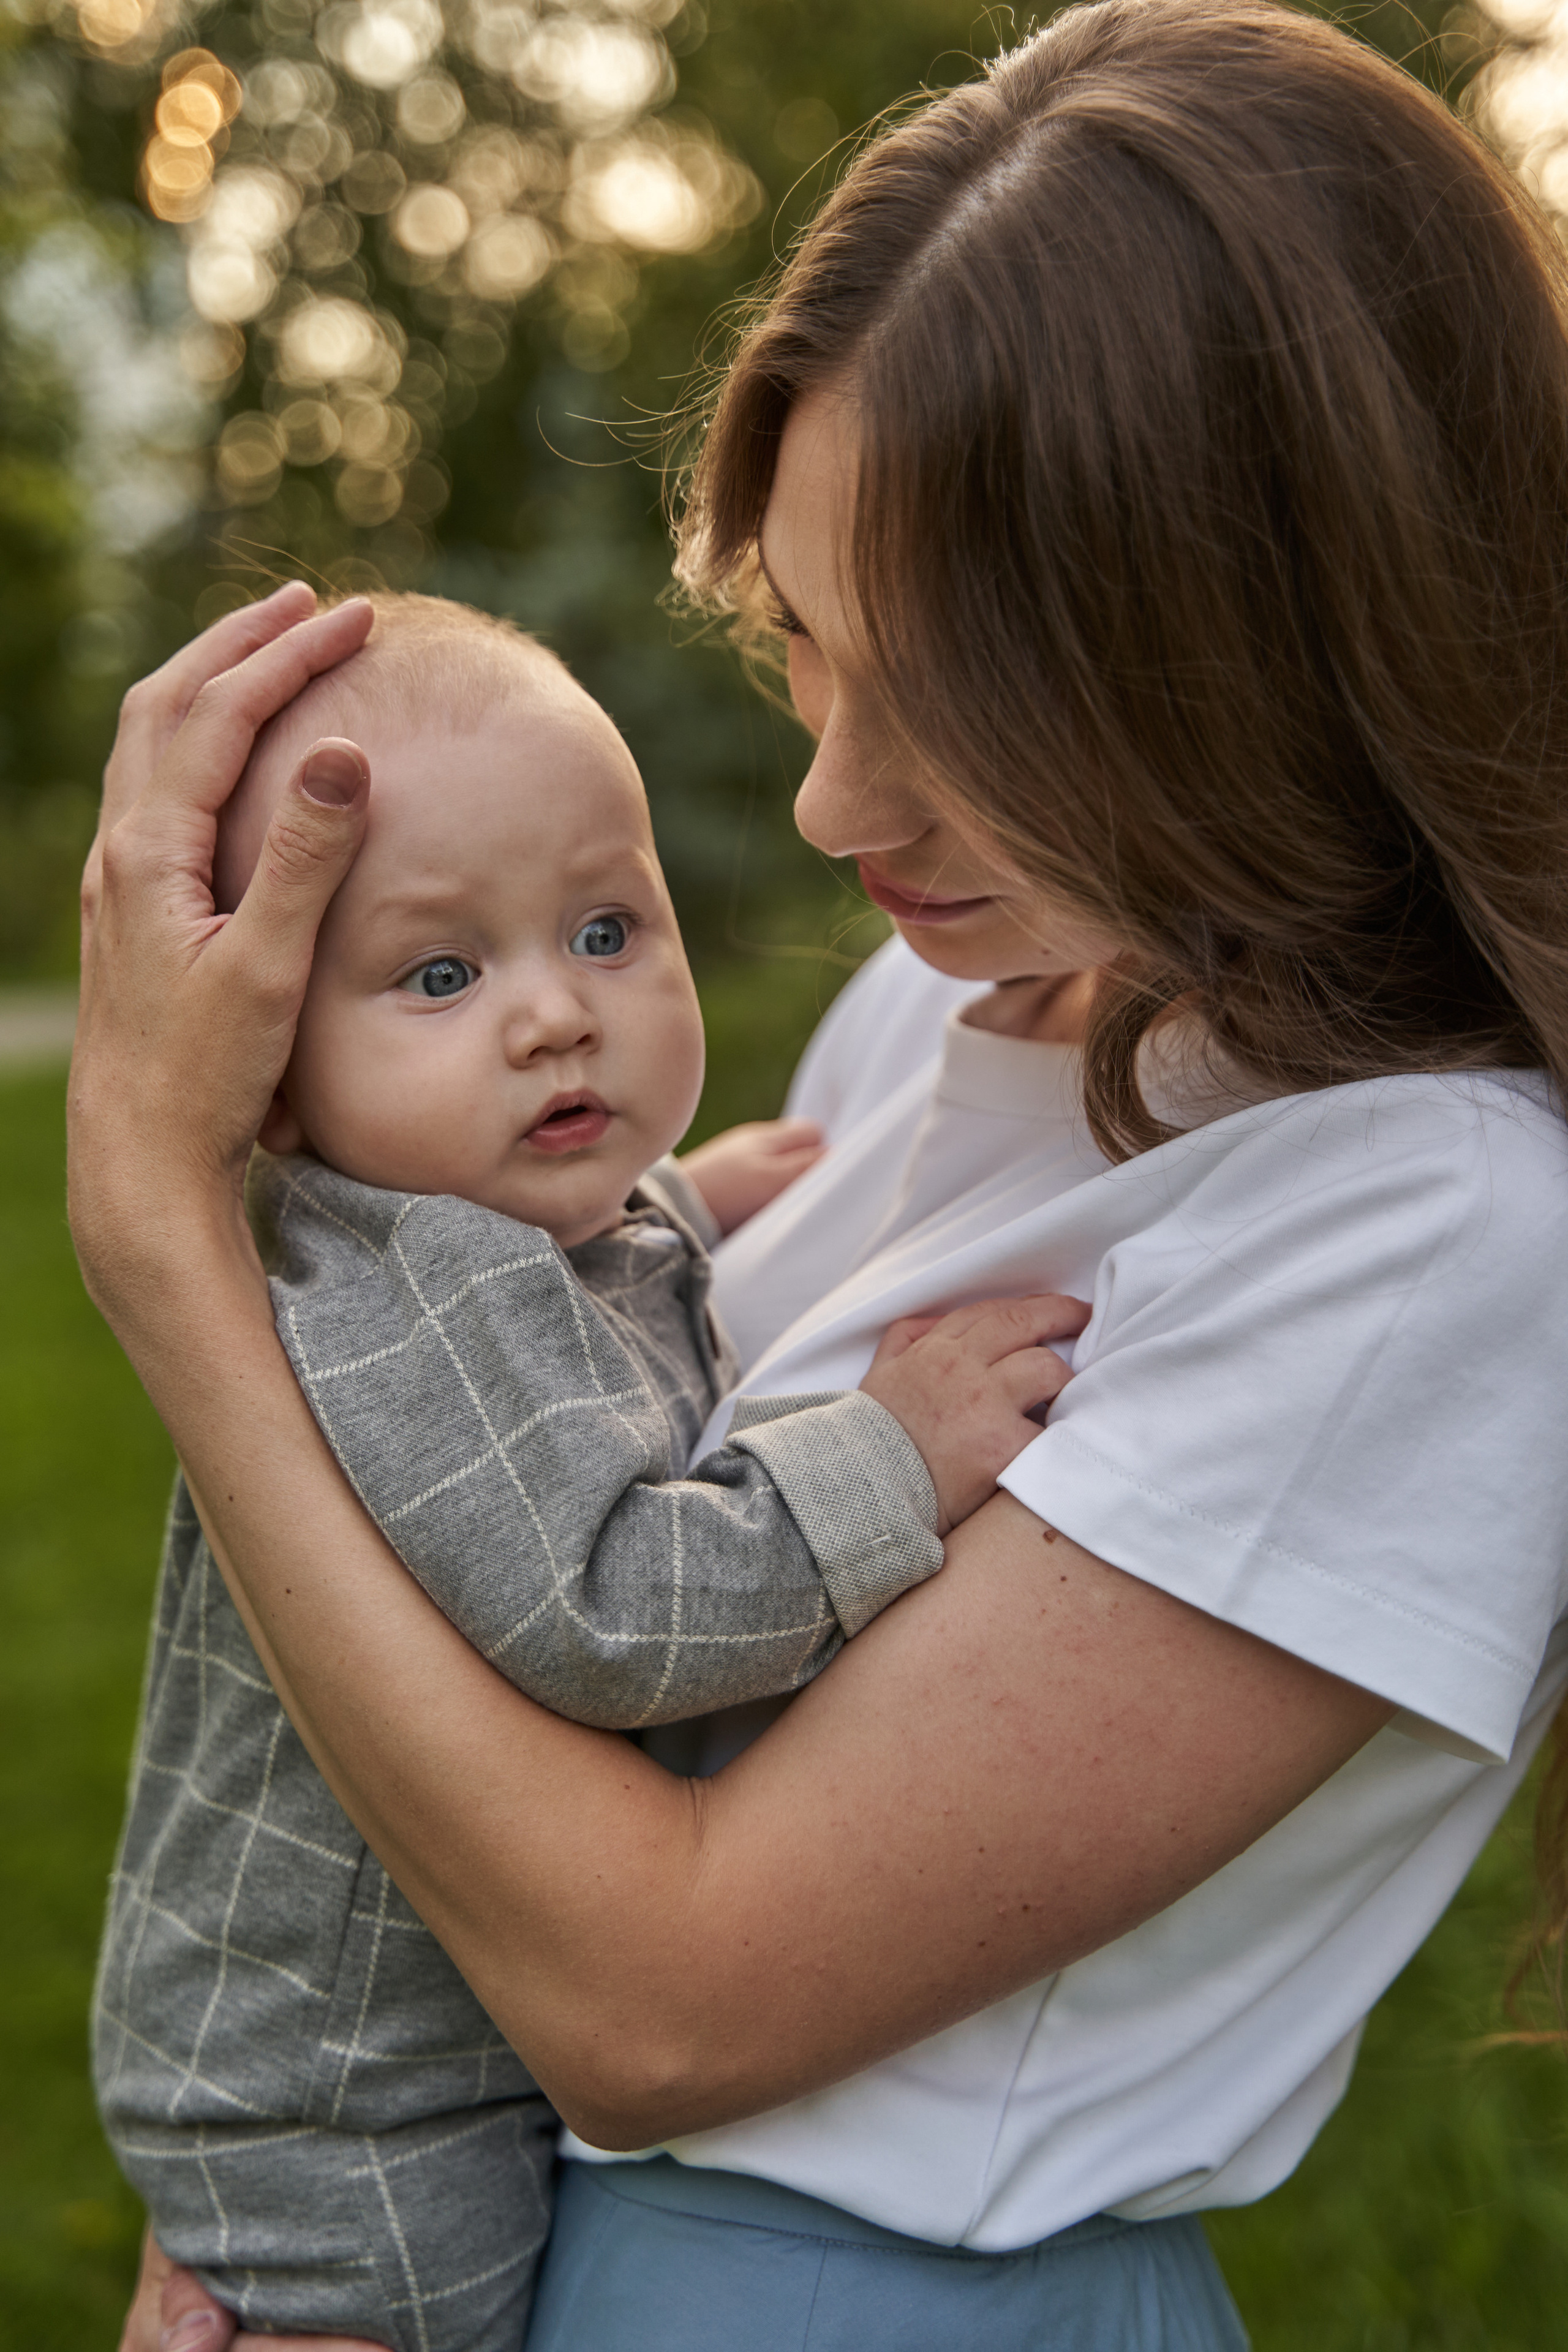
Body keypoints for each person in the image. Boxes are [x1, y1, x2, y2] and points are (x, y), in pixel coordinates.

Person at [80, 1, 1568, 2345]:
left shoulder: (1435, 1224)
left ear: (1286, 641)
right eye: (803, 641)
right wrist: (281, 2183)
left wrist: (176, 1261)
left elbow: (662, 2002)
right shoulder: (957, 1002)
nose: (832, 810)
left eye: (968, 693)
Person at [92, 591, 1079, 2348]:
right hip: (358, 2116)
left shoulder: (458, 1234)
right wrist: (891, 1460)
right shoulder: (428, 1290)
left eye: (607, 928)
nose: (554, 1016)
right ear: (276, 1084)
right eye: (442, 974)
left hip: (325, 2057)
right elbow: (604, 1604)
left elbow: (558, 1332)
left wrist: (687, 1199)